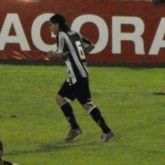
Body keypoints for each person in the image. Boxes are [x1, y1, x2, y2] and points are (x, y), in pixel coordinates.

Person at [47, 12, 114, 143]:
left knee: (86, 104)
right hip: (80, 73)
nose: (50, 28)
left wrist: (51, 55)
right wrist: (80, 57)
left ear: (57, 25)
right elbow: (90, 45)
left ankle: (106, 131)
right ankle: (75, 128)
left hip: (76, 75)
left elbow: (60, 53)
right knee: (60, 98)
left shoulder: (61, 35)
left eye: (51, 25)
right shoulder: (74, 33)